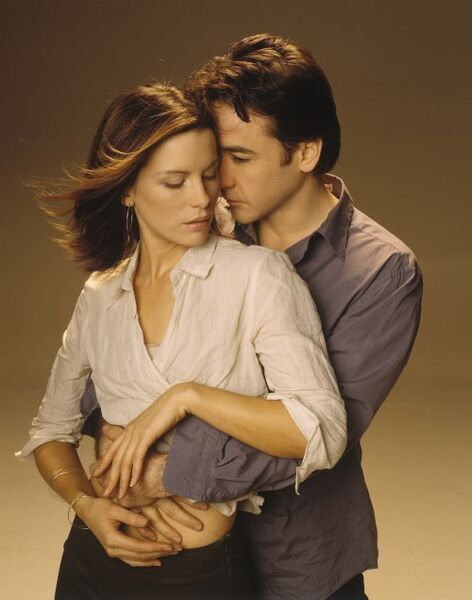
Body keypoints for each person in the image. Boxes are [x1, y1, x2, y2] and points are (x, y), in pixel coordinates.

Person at [89, 34, 423, 600]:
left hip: (298, 558)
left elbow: (323, 432)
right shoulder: (199, 226)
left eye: (240, 158)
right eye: (217, 157)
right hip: (181, 551)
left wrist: (152, 471)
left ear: (306, 152)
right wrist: (104, 459)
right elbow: (109, 369)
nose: (219, 180)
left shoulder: (382, 271)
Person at [16, 82, 347, 599]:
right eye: (175, 182)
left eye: (209, 173)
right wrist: (87, 506)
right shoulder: (101, 293)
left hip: (195, 576)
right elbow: (50, 432)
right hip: (90, 558)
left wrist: (186, 397)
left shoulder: (256, 276)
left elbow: (319, 428)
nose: (202, 197)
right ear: (127, 190)